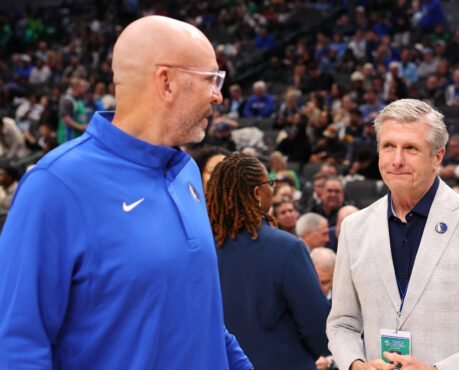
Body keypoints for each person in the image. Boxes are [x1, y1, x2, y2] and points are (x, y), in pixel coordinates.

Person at [0, 16, 253, 369]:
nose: (218, 94)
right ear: (166, 82)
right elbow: (18, 346)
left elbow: (201, 315)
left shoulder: (188, 172)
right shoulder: (54, 186)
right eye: (211, 79)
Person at [327, 99, 459, 370]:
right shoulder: (354, 228)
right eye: (388, 146)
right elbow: (342, 323)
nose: (397, 160)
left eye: (411, 148)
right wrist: (355, 363)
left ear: (437, 156)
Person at [206, 153, 330, 370]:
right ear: (256, 192)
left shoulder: (201, 249)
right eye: (269, 183)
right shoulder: (289, 247)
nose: (272, 188)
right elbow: (318, 328)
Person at [57, 77, 88, 143]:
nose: (85, 89)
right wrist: (80, 127)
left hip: (77, 138)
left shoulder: (79, 101)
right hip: (68, 139)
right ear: (76, 87)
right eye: (83, 86)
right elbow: (64, 118)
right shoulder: (67, 100)